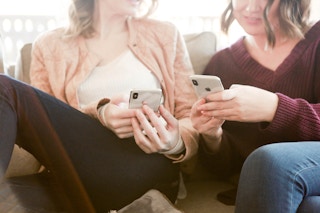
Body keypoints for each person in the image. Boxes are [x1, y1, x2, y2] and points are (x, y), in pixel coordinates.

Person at [0, 0, 199, 212]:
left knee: (4, 87)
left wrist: (174, 142)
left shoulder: (165, 35)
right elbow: (45, 127)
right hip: (77, 176)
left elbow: (192, 116)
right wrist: (101, 113)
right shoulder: (49, 46)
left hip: (145, 168)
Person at [190, 0, 320, 212]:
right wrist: (213, 136)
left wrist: (274, 108)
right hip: (282, 186)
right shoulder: (221, 63)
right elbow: (225, 168)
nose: (251, 7)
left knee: (270, 161)